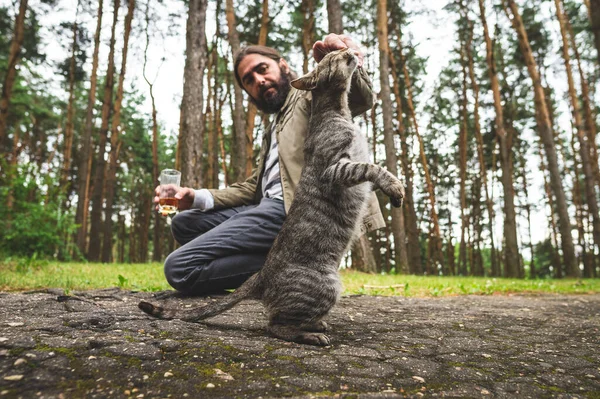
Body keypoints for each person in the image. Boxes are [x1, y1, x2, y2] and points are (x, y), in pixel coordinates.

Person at [155, 34, 385, 296]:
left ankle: (293, 267)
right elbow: (254, 187)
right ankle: (285, 261)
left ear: (283, 65)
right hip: (266, 207)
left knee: (179, 268)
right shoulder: (273, 128)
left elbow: (359, 99)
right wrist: (194, 197)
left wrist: (348, 59)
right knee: (183, 224)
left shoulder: (309, 94)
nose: (258, 81)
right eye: (249, 81)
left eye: (262, 70)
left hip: (295, 212)